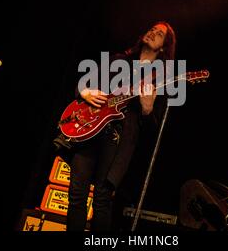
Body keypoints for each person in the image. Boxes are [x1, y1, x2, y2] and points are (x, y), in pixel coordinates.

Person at [66, 21, 177, 231]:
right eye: (152, 29)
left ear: (164, 46)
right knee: (76, 194)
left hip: (119, 140)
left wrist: (147, 110)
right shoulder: (119, 60)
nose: (152, 32)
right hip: (90, 130)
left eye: (159, 34)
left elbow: (154, 129)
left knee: (102, 198)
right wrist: (85, 92)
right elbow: (82, 86)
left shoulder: (161, 79)